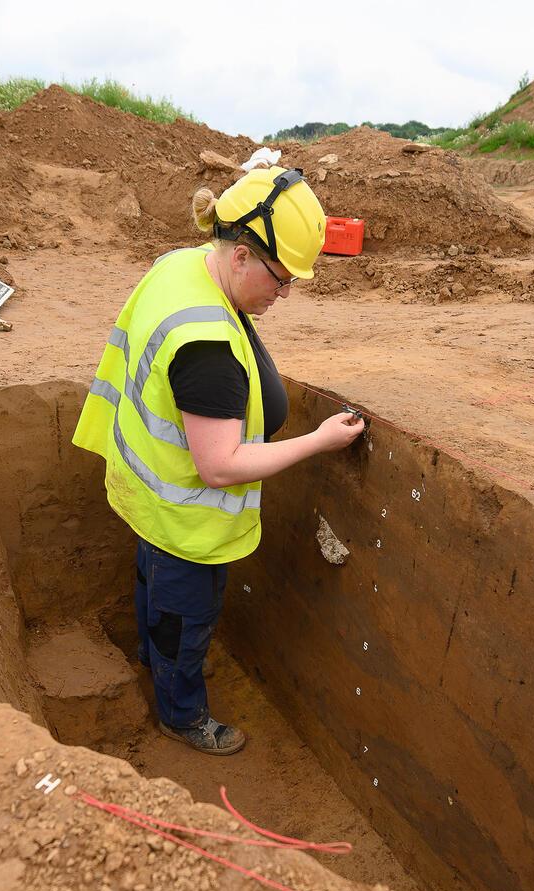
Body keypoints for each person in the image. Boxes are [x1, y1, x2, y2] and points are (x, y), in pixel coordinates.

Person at [71, 167, 365, 755]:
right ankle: (181, 714)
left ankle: (150, 658)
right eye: (281, 281)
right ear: (240, 257)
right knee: (185, 622)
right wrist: (317, 441)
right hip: (187, 521)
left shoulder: (181, 265)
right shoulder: (207, 350)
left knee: (151, 591)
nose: (283, 296)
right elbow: (222, 466)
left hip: (149, 492)